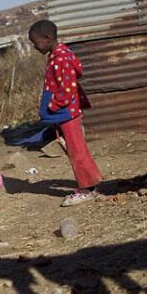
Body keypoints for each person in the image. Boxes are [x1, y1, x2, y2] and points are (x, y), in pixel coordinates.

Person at [29, 20, 103, 207]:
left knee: (76, 152)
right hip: (65, 114)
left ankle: (86, 190)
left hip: (66, 113)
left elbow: (67, 90)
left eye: (35, 42)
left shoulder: (61, 58)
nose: (34, 47)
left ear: (47, 38)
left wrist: (52, 107)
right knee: (77, 149)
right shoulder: (57, 55)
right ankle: (91, 184)